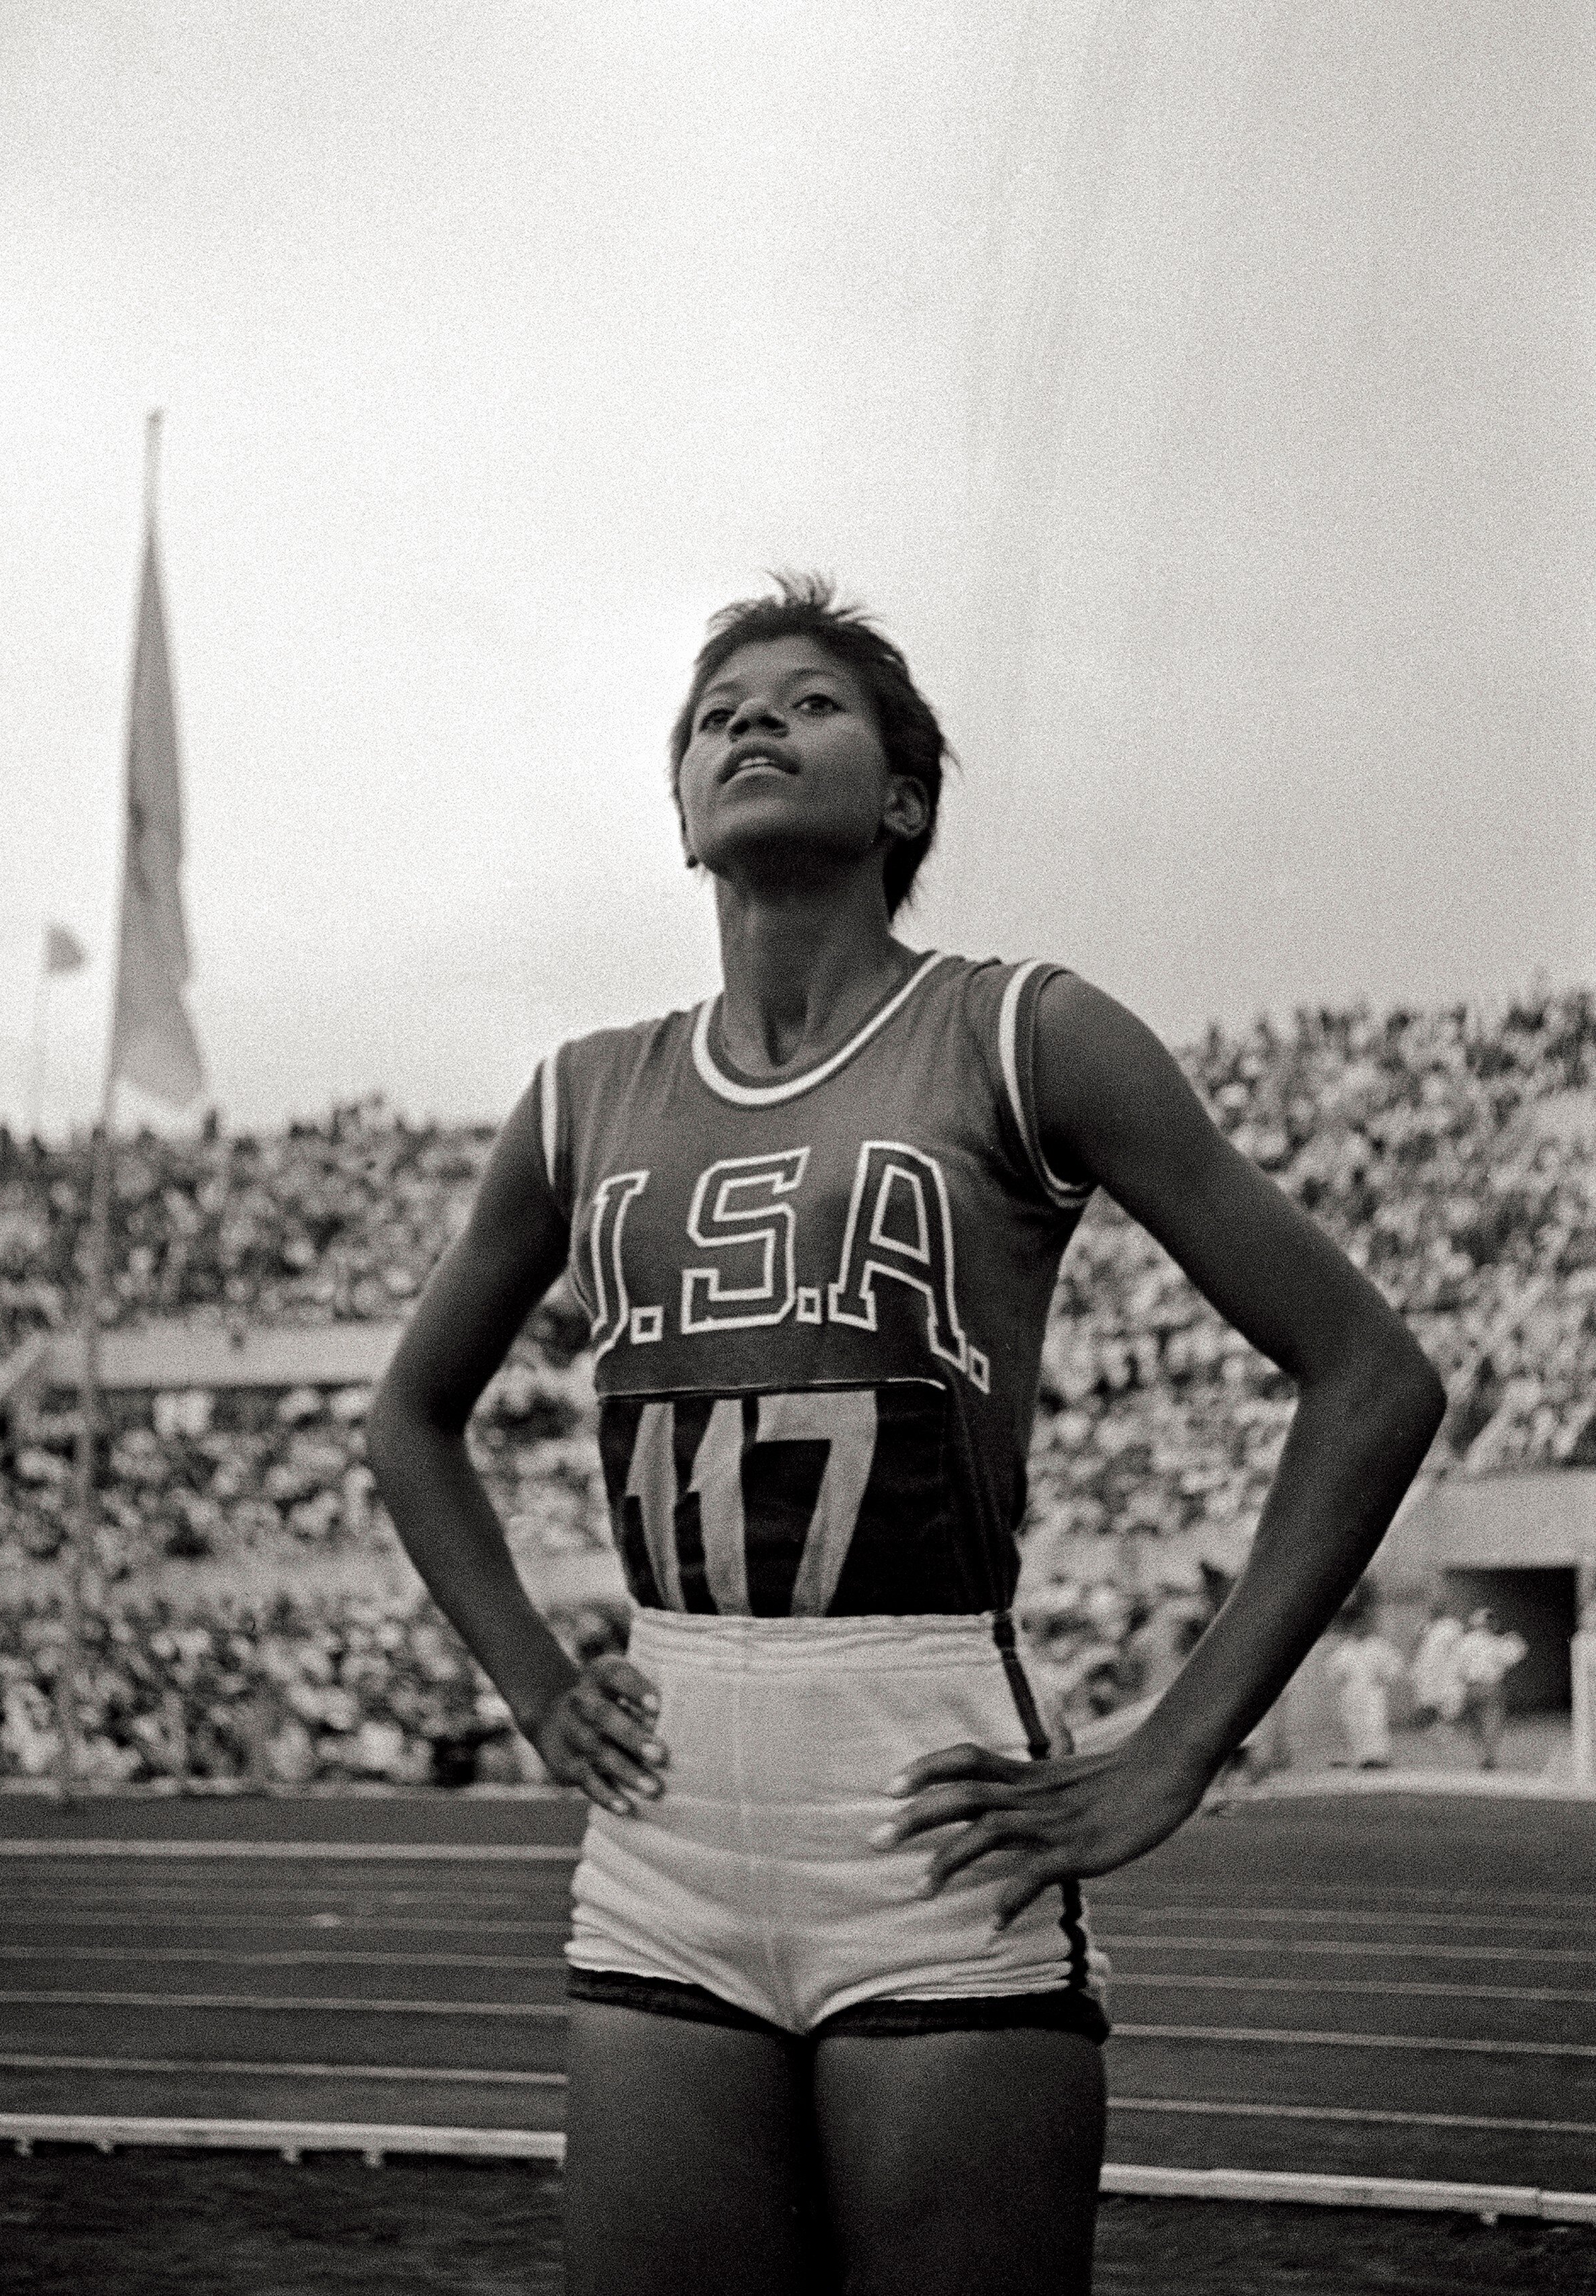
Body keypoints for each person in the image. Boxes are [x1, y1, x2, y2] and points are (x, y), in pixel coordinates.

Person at [367, 577, 1446, 2296]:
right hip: (659, 1843)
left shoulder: (1026, 1032)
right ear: (680, 816)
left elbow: (1372, 1375)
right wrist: (534, 1682)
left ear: (903, 799)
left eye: (806, 701)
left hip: (932, 1819)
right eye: (715, 710)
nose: (749, 722)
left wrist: (1176, 1749)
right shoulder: (581, 1092)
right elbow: (409, 1419)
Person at [1326, 1583, 1403, 1769]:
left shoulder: (1378, 1645)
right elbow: (1333, 1671)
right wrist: (1342, 1680)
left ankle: (1378, 1757)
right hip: (1351, 1693)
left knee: (1375, 1722)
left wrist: (1385, 1678)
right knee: (1355, 1725)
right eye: (1356, 1626)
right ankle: (1362, 1758)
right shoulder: (1345, 1649)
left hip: (1372, 1691)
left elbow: (1395, 1664)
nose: (1359, 1629)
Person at [1452, 1606, 1527, 1770]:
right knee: (1492, 1723)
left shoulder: (1464, 1643)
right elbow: (1515, 1655)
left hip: (1471, 1688)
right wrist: (1514, 1639)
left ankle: (1482, 1755)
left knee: (1474, 1725)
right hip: (1492, 1688)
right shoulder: (1495, 1642)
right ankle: (1488, 1755)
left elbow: (1457, 1669)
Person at [1409, 1600, 1465, 1728]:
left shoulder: (1452, 1626)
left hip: (1445, 1671)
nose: (1434, 1611)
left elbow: (1459, 1651)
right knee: (1428, 1702)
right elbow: (1417, 1647)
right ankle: (1432, 1727)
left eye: (1438, 1608)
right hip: (1427, 1670)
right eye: (1433, 1608)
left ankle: (1444, 1726)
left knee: (1446, 1703)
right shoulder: (1426, 1627)